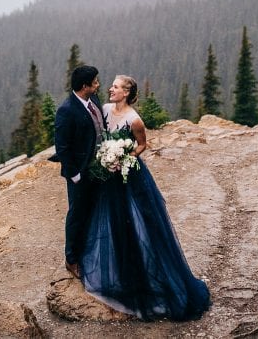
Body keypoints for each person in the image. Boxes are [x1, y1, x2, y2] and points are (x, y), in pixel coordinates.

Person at [80, 75, 211, 321]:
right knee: (113, 222)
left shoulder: (134, 119)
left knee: (141, 223)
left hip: (131, 176)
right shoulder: (105, 109)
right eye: (112, 86)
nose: (110, 89)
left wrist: (124, 158)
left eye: (116, 87)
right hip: (109, 177)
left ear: (127, 93)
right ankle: (120, 275)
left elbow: (142, 145)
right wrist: (106, 157)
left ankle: (151, 279)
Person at [54, 65, 104, 280]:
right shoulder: (67, 110)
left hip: (99, 169)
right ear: (85, 86)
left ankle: (89, 251)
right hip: (80, 174)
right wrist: (74, 174)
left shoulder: (95, 102)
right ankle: (71, 259)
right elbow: (62, 147)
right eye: (95, 82)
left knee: (94, 210)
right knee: (77, 214)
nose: (98, 85)